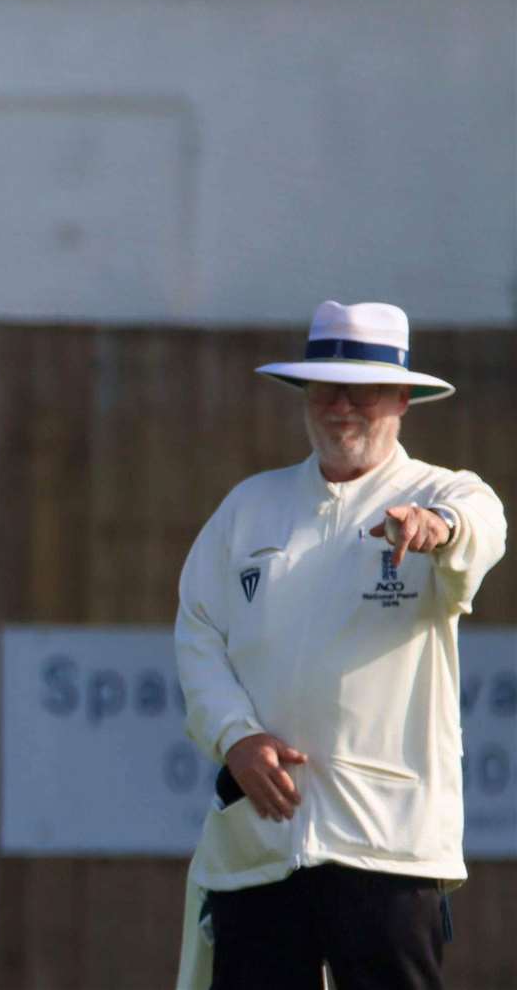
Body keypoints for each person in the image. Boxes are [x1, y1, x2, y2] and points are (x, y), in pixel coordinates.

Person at [171, 301, 506, 990]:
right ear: (305, 393)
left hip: (388, 847)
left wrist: (439, 529)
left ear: (404, 399)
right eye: (326, 385)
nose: (342, 404)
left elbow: (481, 521)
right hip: (259, 846)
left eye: (365, 388)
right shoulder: (249, 507)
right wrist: (236, 736)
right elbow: (198, 628)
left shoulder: (439, 492)